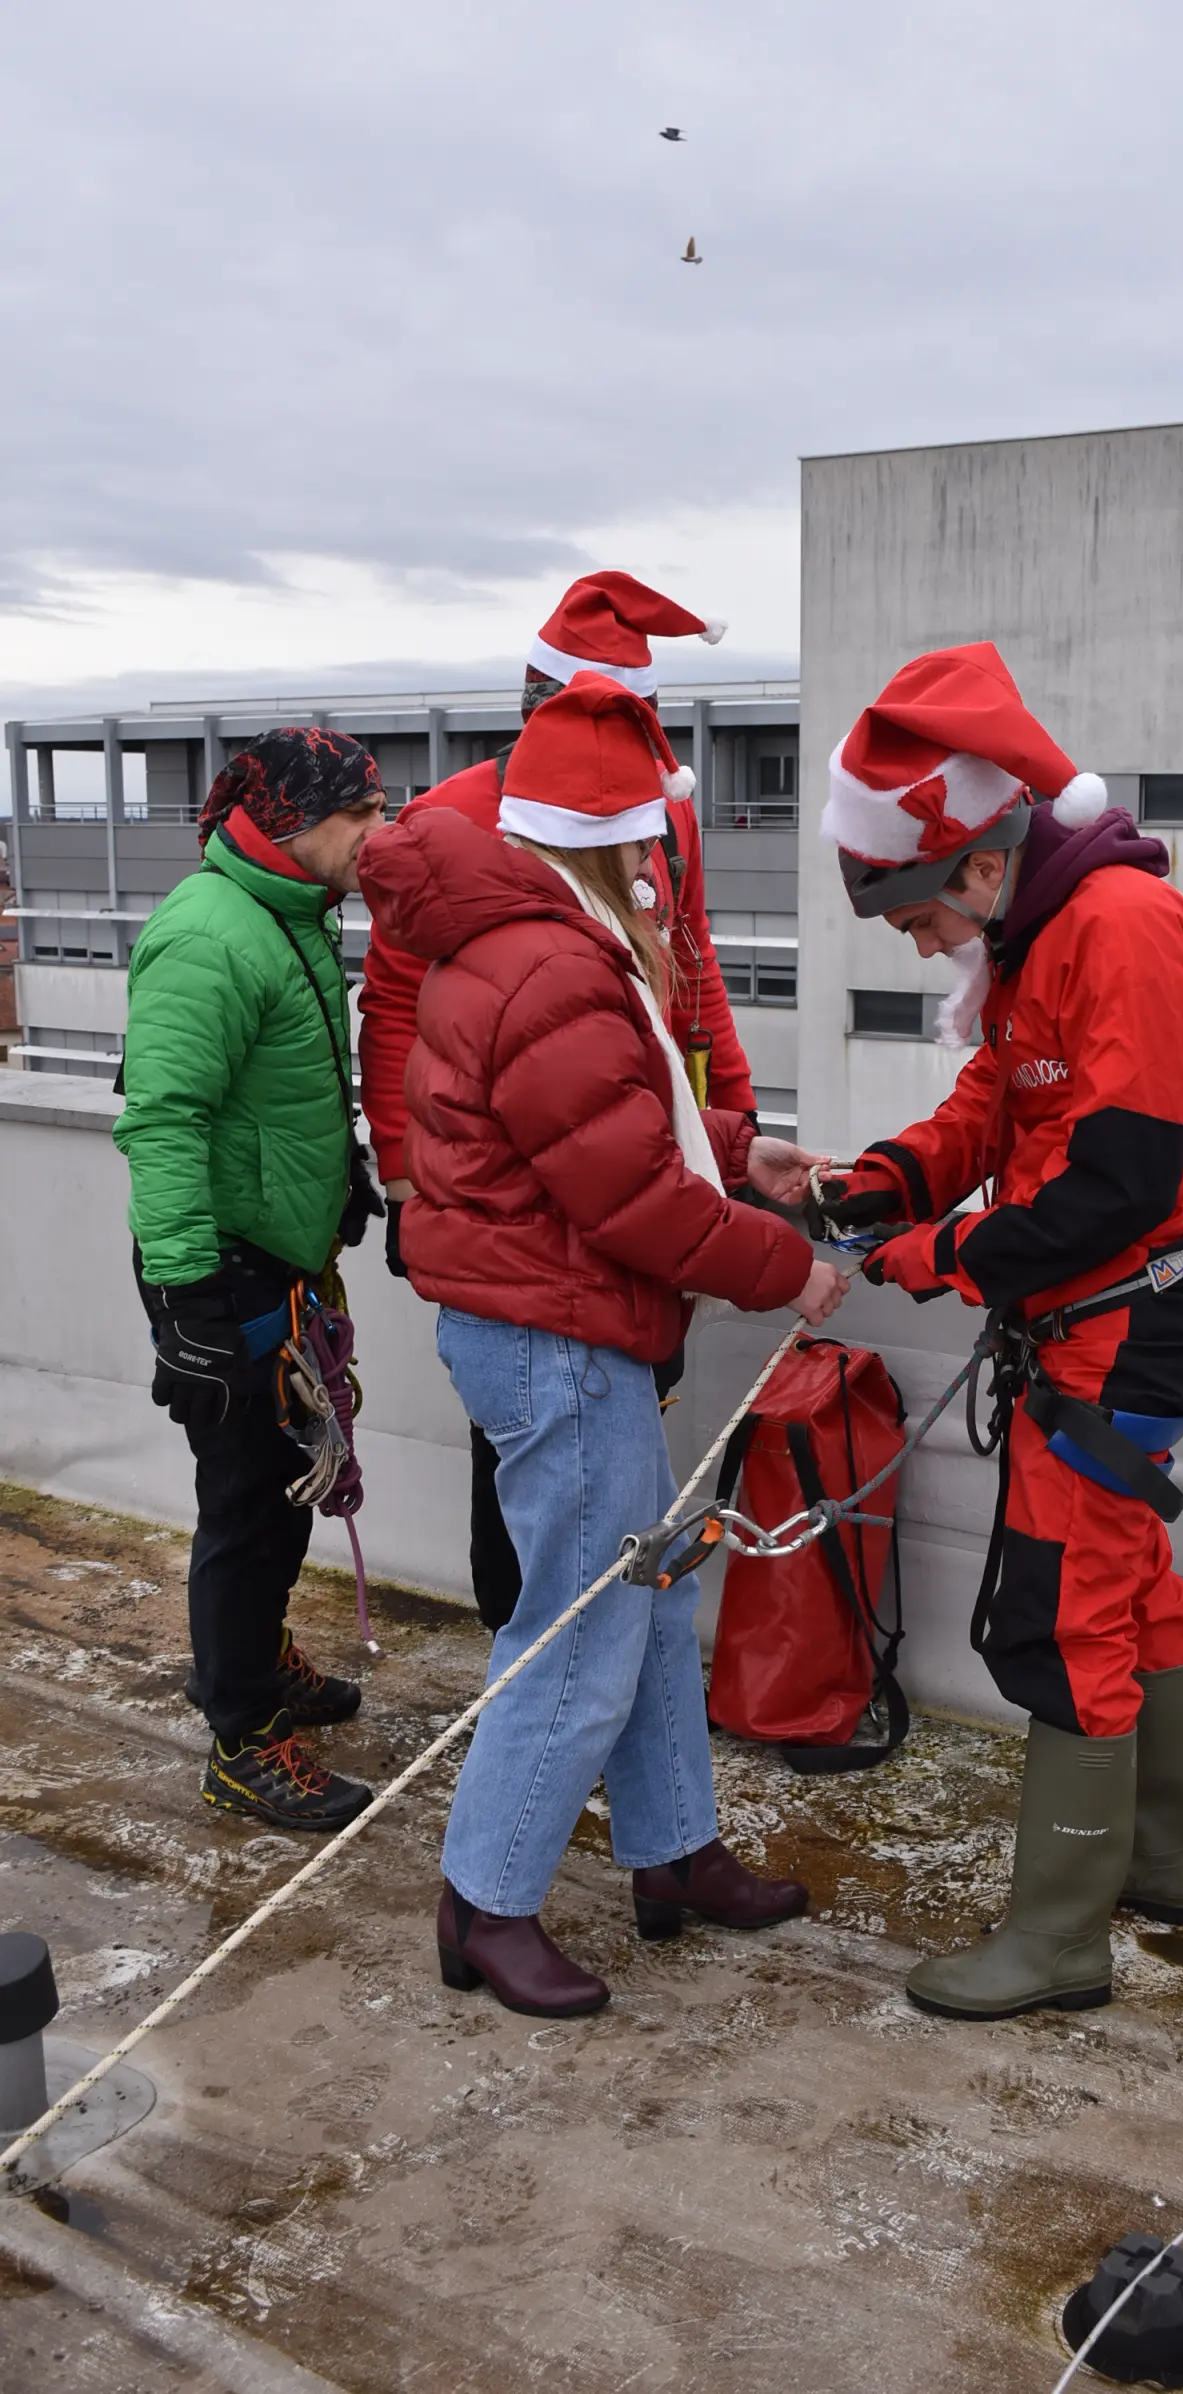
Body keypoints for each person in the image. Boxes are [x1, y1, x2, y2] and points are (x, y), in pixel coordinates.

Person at [358, 670, 848, 2018]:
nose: (660, 858)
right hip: (556, 1334)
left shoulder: (546, 934)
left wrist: (749, 1153)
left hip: (550, 1324)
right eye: (647, 834)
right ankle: (488, 1898)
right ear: (609, 829)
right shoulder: (557, 957)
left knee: (646, 1595)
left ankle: (672, 1850)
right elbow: (628, 1192)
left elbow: (631, 1119)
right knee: (577, 1624)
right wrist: (787, 1265)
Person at [819, 643, 1183, 2019]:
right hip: (1118, 1309)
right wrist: (876, 1182)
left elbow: (1112, 1182)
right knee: (1128, 1582)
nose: (925, 943)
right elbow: (993, 1112)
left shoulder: (1117, 929)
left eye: (920, 919)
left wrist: (935, 1253)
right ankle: (1163, 1862)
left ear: (983, 860)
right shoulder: (1043, 938)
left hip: (1135, 1315)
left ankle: (1061, 1936)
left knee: (1067, 1607)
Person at [359, 571, 754, 1632]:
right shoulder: (455, 825)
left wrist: (734, 1124)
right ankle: (527, 1647)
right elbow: (394, 1009)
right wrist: (405, 1177)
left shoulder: (657, 822)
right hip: (514, 1185)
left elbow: (693, 970)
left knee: (638, 1399)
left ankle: (605, 1661)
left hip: (629, 1129)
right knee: (528, 1438)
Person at [114, 729, 388, 1830]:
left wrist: (340, 1179)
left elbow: (283, 1090)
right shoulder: (210, 936)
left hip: (280, 1263)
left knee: (289, 1485)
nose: (380, 831)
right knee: (248, 1508)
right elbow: (163, 1123)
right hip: (221, 1274)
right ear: (299, 819)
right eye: (364, 812)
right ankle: (240, 1735)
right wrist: (186, 1311)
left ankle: (259, 1659)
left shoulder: (292, 915)